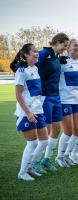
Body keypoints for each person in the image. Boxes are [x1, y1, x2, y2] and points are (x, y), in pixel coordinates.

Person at [11, 44, 49, 181]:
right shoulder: (21, 70)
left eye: (37, 51)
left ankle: (31, 166)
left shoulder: (35, 68)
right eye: (34, 51)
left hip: (38, 111)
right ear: (26, 54)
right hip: (26, 113)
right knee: (32, 143)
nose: (36, 53)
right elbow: (18, 94)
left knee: (44, 141)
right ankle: (22, 172)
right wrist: (28, 113)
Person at [37, 33, 69, 172]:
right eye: (64, 45)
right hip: (44, 97)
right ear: (56, 42)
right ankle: (35, 161)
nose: (65, 48)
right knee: (46, 131)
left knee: (56, 129)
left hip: (57, 96)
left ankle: (46, 159)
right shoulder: (44, 53)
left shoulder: (56, 57)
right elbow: (31, 67)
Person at [55, 39, 78, 167]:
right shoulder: (61, 61)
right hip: (64, 100)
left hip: (76, 100)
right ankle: (59, 157)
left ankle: (67, 155)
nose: (77, 47)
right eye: (74, 45)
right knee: (68, 131)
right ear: (68, 48)